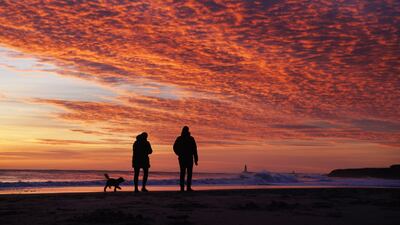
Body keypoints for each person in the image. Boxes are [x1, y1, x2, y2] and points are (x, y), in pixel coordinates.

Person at [173, 126, 198, 191]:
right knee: (184, 172)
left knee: (186, 173)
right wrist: (179, 153)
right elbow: (175, 147)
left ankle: (187, 187)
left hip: (188, 157)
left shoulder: (190, 138)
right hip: (184, 158)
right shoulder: (181, 138)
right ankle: (183, 187)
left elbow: (194, 149)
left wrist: (196, 159)